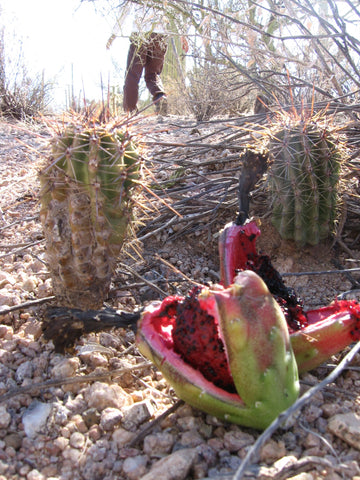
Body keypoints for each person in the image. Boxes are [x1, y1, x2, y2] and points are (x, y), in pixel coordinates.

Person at [122, 3, 169, 114]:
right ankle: (160, 96)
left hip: (140, 34)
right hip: (160, 36)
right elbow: (173, 10)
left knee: (132, 73)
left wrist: (113, 34)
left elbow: (125, 9)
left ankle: (130, 109)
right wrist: (182, 35)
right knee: (153, 74)